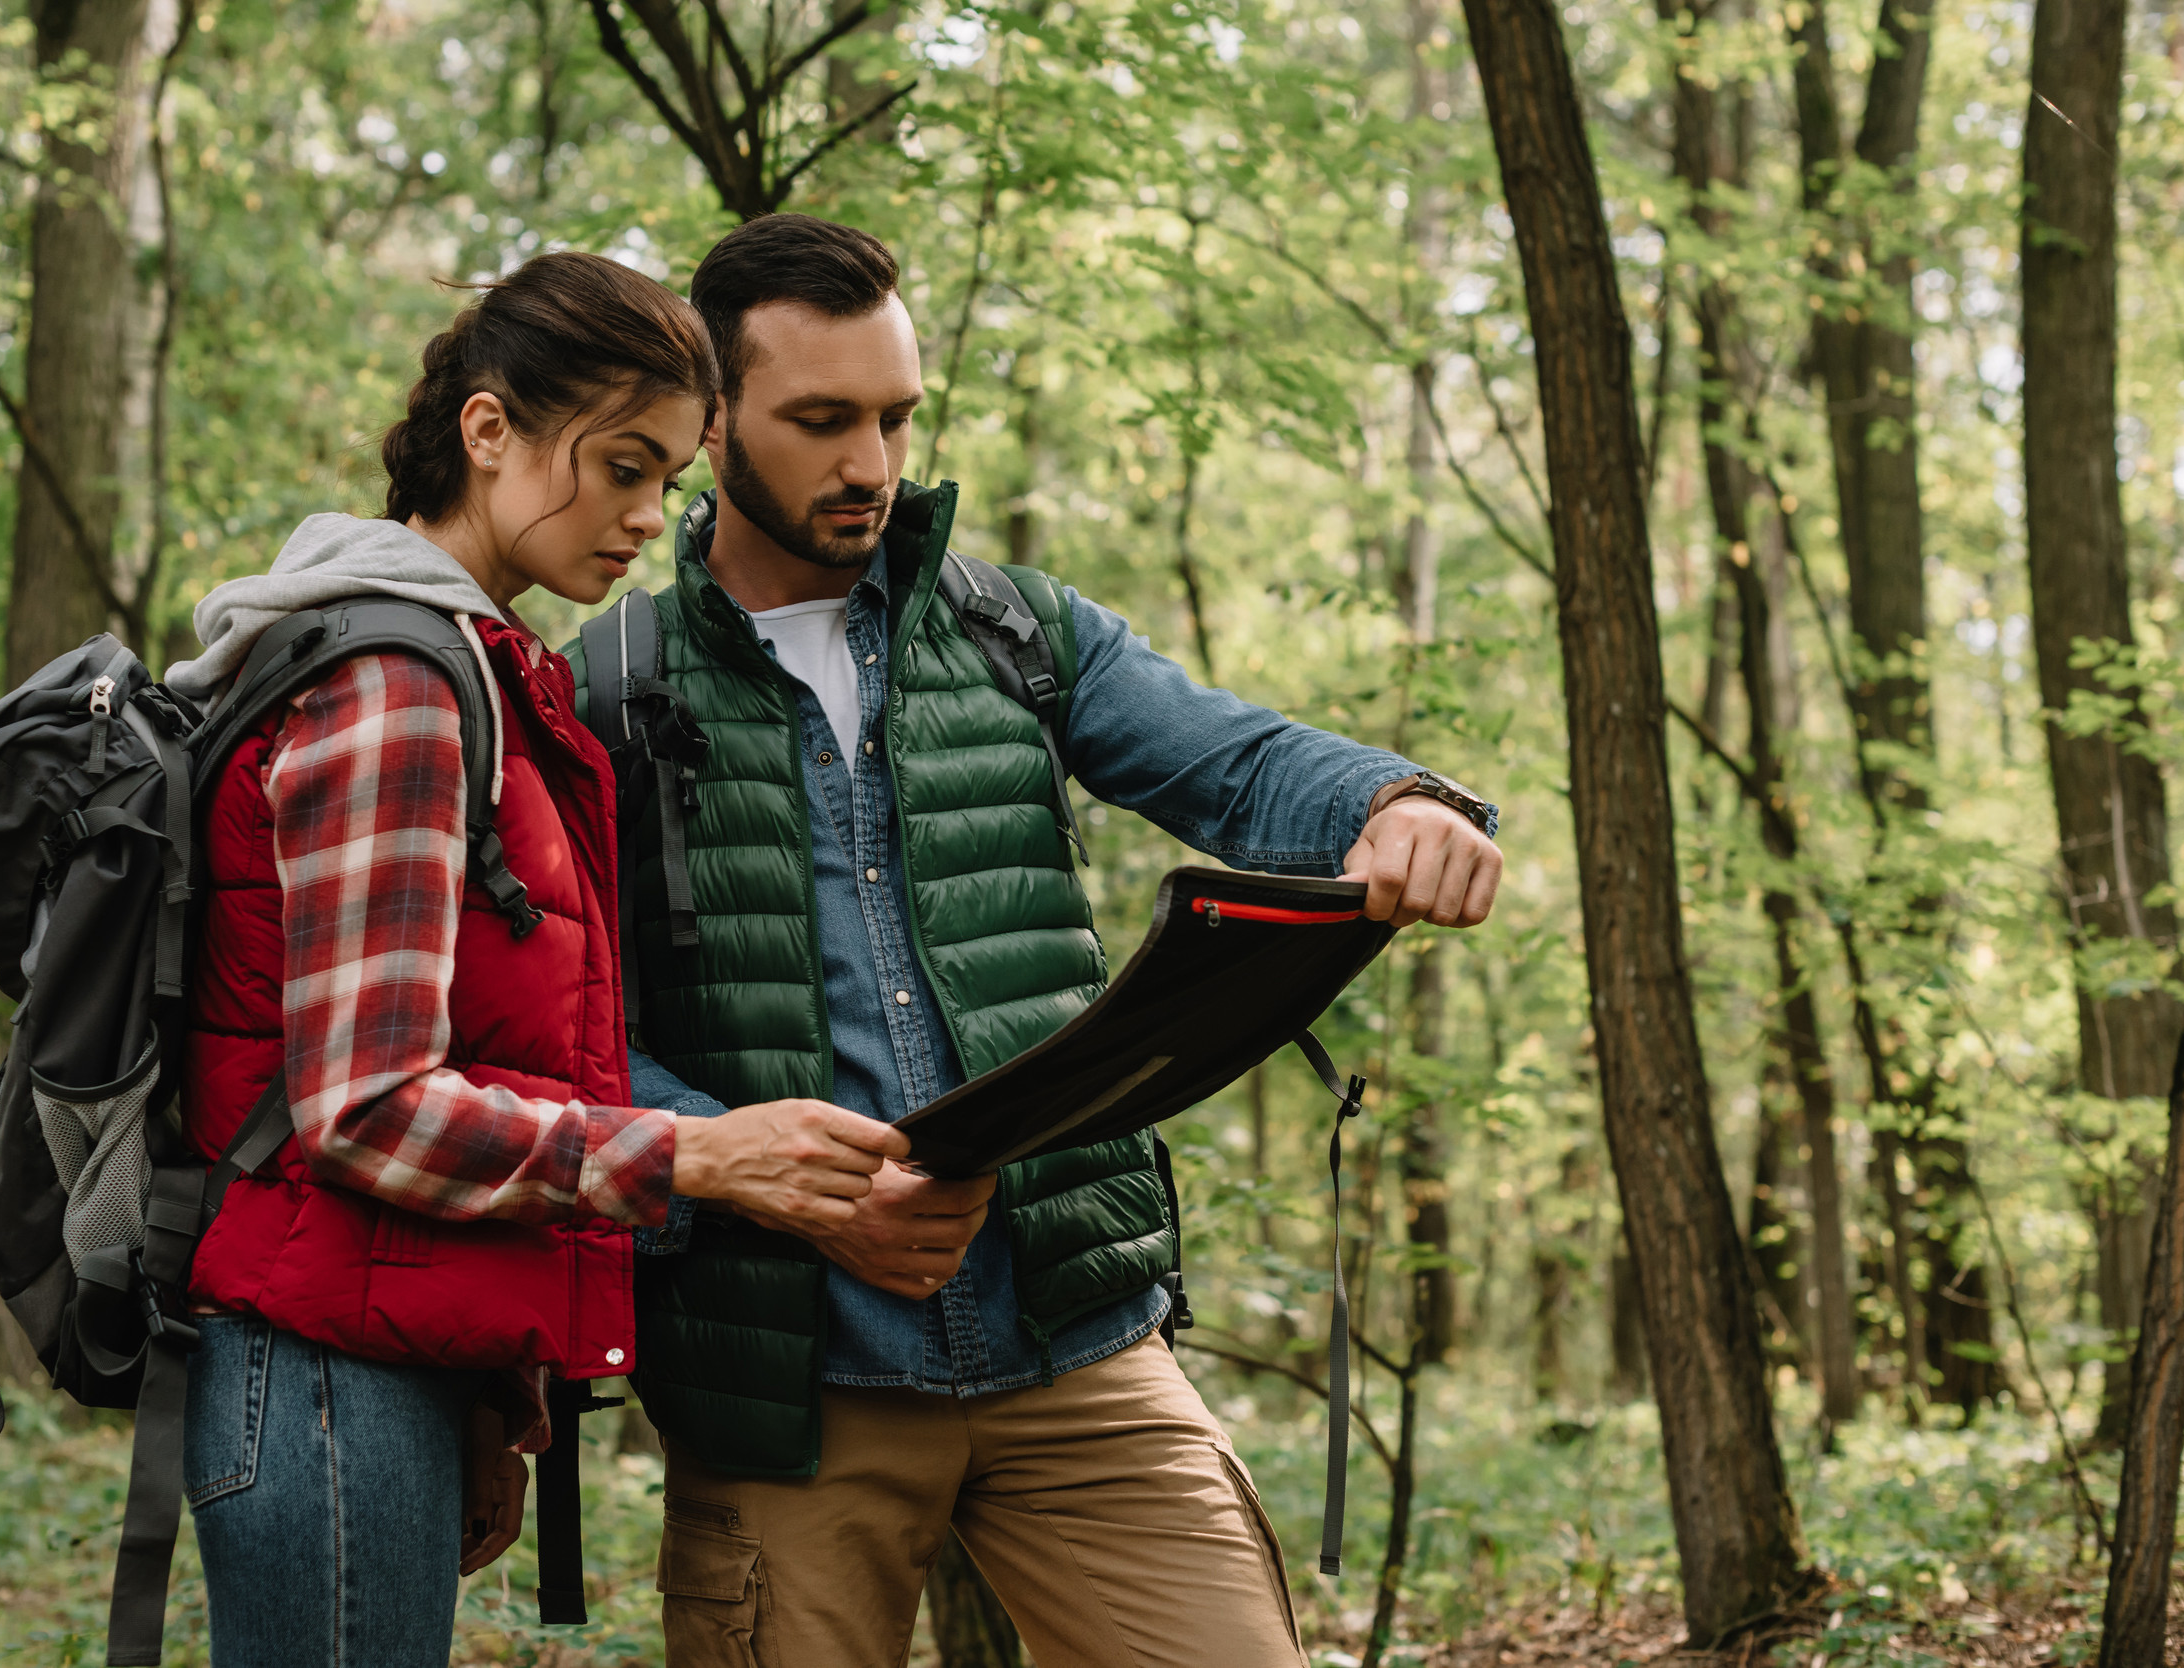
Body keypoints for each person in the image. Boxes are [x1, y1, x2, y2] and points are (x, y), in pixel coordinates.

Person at [566, 215, 1507, 1668]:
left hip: (1083, 1354)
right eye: (821, 420)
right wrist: (774, 1174)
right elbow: (555, 1040)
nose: (871, 463)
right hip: (790, 1395)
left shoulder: (1008, 628)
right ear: (709, 419)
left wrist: (1395, 802)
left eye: (893, 417)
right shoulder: (601, 690)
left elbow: (1245, 768)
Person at [159, 251, 910, 1667]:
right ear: (489, 431)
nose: (645, 518)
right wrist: (689, 1157)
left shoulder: (481, 674)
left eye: (670, 481)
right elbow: (366, 1109)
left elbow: (497, 1058)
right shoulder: (397, 689)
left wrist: (502, 1386)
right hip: (326, 1373)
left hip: (387, 1352)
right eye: (622, 466)